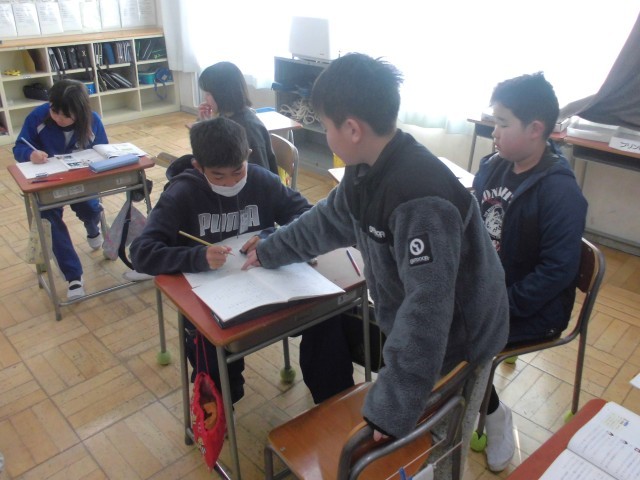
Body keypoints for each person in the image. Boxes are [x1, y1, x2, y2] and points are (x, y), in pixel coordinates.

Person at [242, 53, 510, 479]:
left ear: (352, 129)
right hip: (425, 326)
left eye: (326, 125)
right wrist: (271, 249)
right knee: (423, 410)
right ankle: (486, 414)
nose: (325, 134)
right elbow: (327, 220)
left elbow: (427, 313)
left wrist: (392, 408)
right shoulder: (364, 169)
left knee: (444, 440)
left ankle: (491, 420)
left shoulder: (420, 199)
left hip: (465, 336)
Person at [130, 117, 354, 404]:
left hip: (273, 287)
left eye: (238, 171)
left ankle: (336, 405)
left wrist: (274, 237)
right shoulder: (182, 194)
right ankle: (222, 409)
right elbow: (142, 253)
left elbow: (305, 216)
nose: (231, 182)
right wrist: (195, 256)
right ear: (198, 167)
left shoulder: (262, 180)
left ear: (248, 155)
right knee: (212, 345)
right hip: (214, 298)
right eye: (218, 176)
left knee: (326, 315)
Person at [472, 72, 588, 472]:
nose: (494, 132)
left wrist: (499, 305)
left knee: (458, 338)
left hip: (534, 307)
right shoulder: (494, 166)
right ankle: (449, 402)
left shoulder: (560, 192)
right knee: (423, 309)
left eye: (503, 124)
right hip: (489, 290)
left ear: (536, 129)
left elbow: (557, 272)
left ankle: (494, 417)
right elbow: (475, 224)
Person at [13, 79, 107, 300]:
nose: (58, 118)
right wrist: (30, 155)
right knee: (49, 219)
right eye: (54, 111)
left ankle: (93, 228)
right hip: (49, 183)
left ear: (80, 112)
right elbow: (19, 147)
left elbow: (103, 150)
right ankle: (73, 276)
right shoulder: (38, 117)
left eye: (66, 115)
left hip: (81, 181)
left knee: (90, 207)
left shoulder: (92, 121)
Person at [197, 61, 278, 175]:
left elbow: (260, 177)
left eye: (208, 94)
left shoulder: (249, 129)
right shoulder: (226, 116)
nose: (205, 98)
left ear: (222, 94)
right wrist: (205, 124)